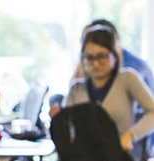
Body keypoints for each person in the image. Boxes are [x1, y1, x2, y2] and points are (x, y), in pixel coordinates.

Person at [66, 25, 154, 154]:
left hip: (118, 160)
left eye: (101, 56)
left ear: (114, 56)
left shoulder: (127, 78)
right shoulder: (77, 89)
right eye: (89, 58)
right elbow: (67, 128)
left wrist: (130, 135)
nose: (95, 63)